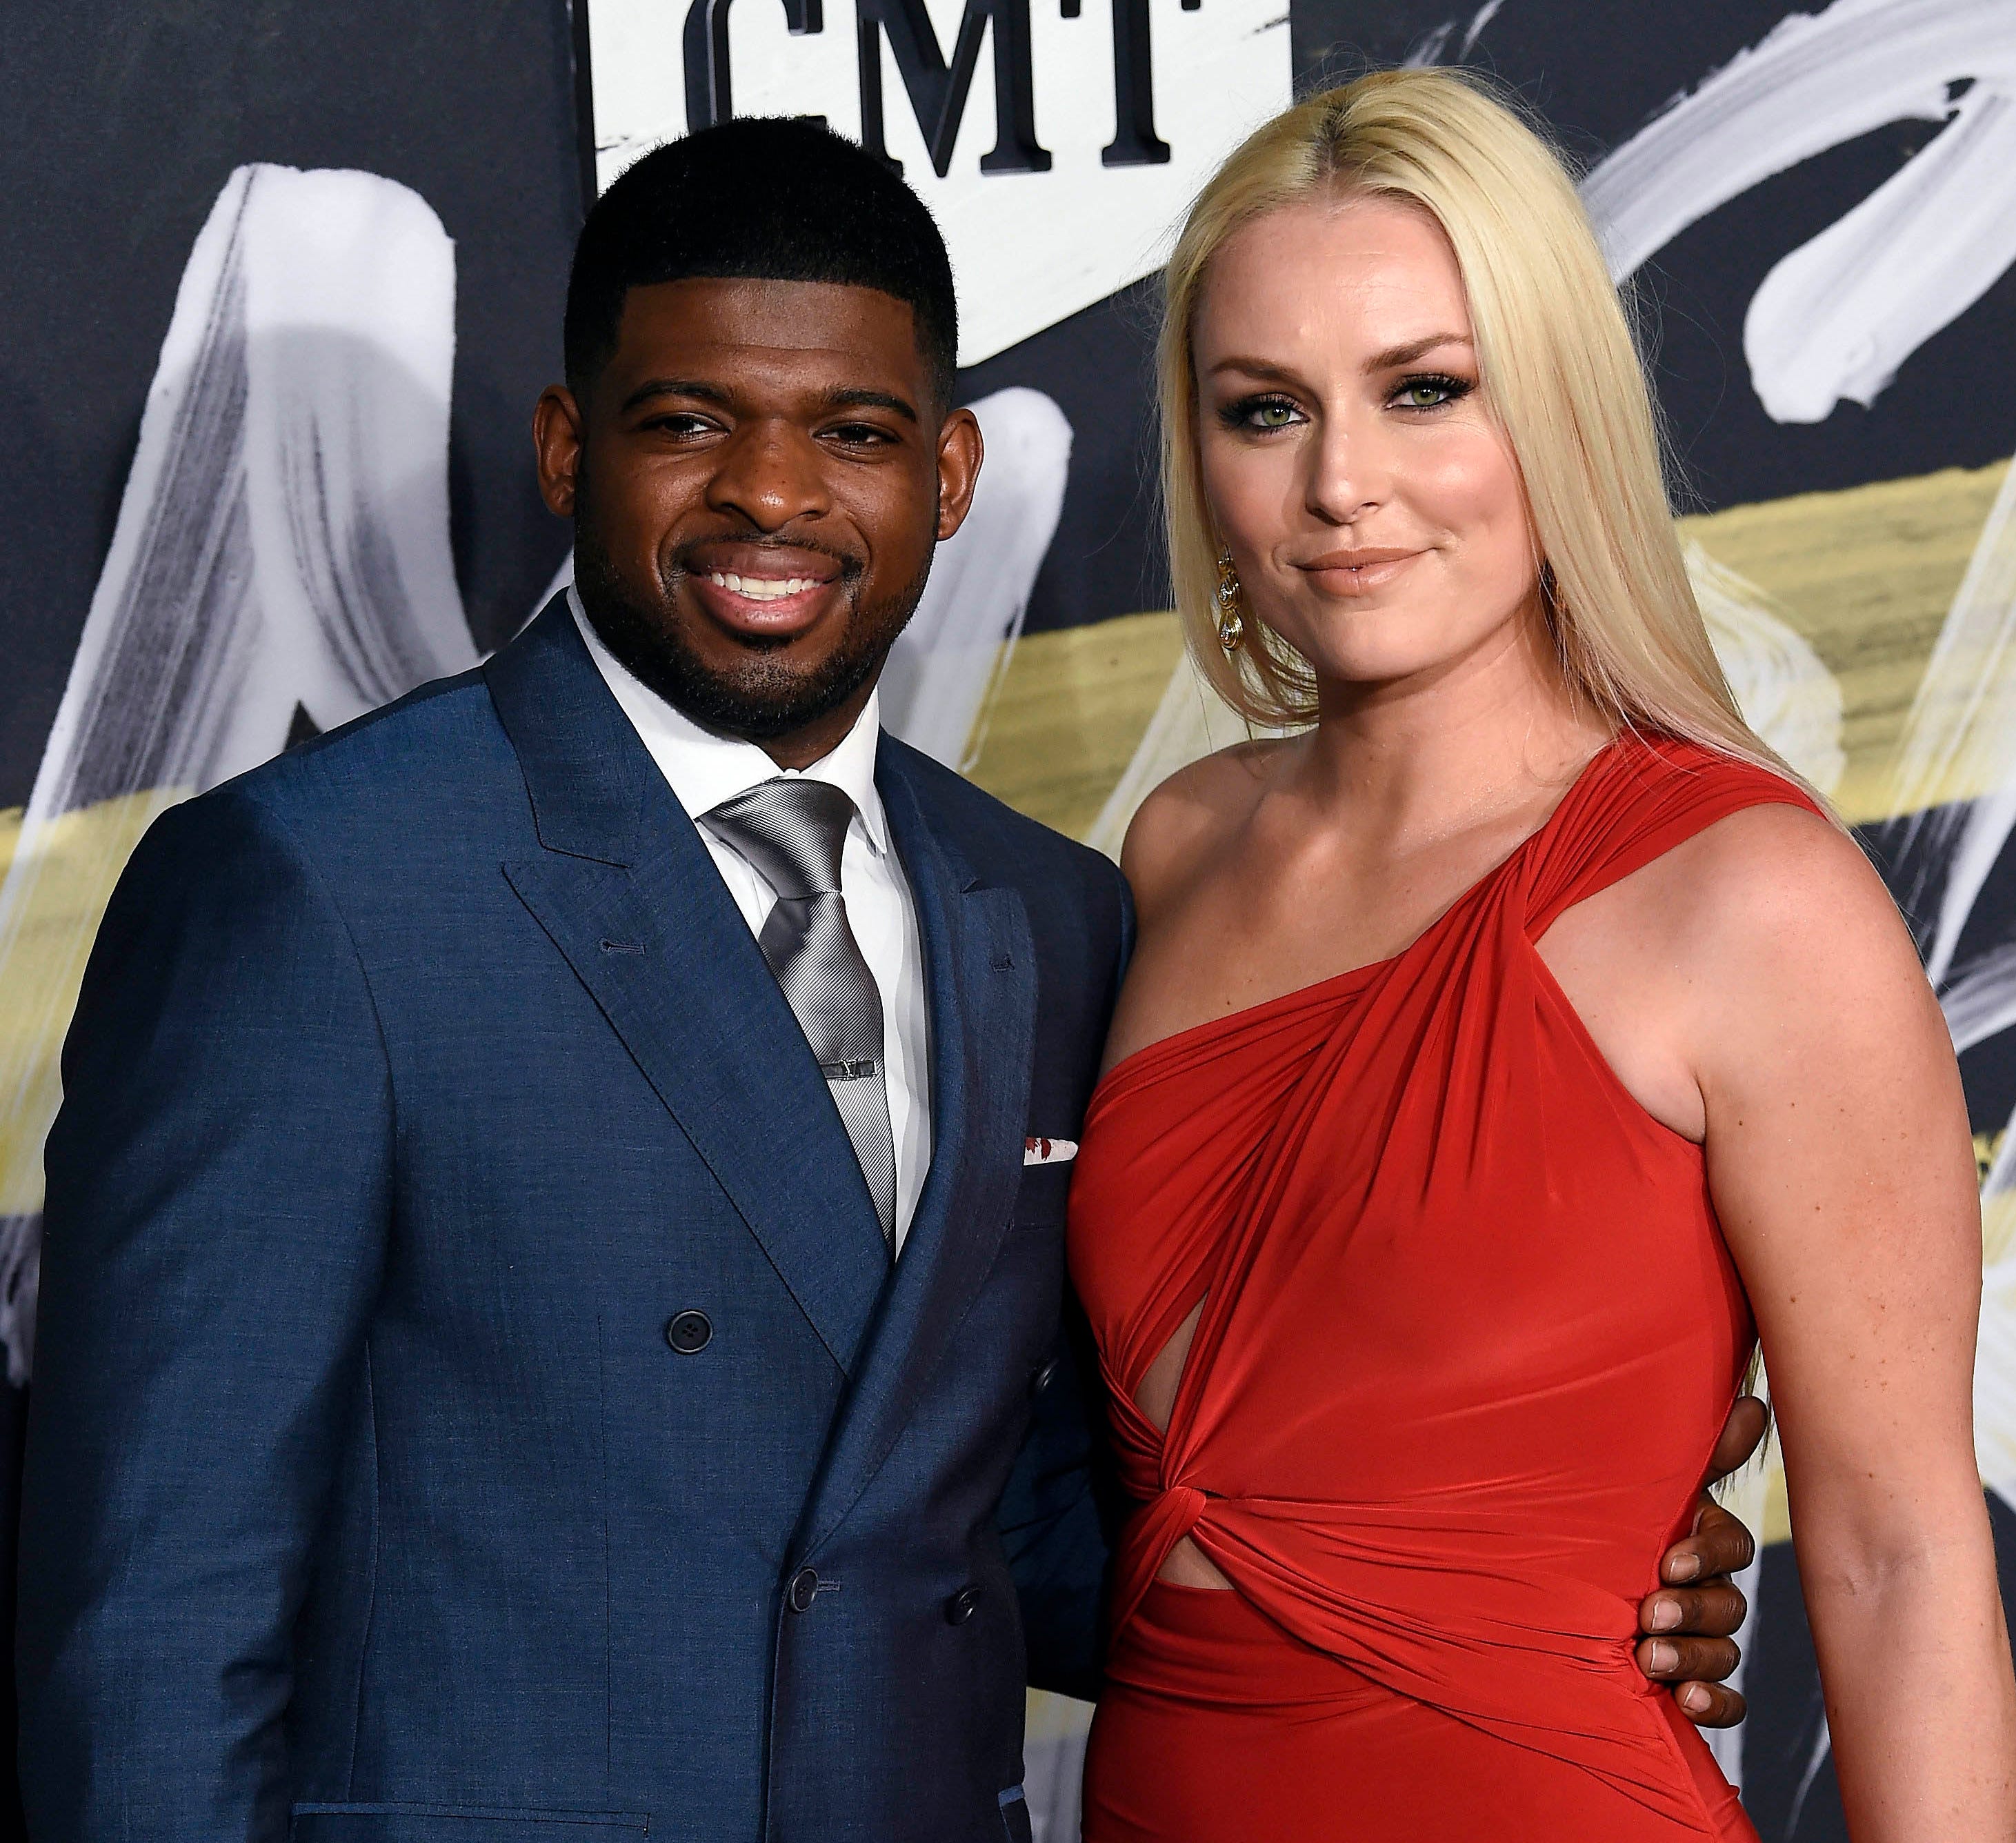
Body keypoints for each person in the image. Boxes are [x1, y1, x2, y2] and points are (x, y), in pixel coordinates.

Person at [19, 118, 1759, 1843]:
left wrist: (1543, 1573)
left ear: (948, 477)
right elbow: (157, 1615)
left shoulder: (1048, 907)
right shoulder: (312, 886)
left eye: (852, 433)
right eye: (688, 422)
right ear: (565, 450)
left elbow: (1017, 1524)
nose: (772, 494)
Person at [1068, 68, 2016, 1843]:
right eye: (1265, 409)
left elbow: (1900, 1562)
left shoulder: (1749, 898)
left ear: (1560, 404)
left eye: (1426, 390)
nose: (1344, 483)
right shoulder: (1181, 850)